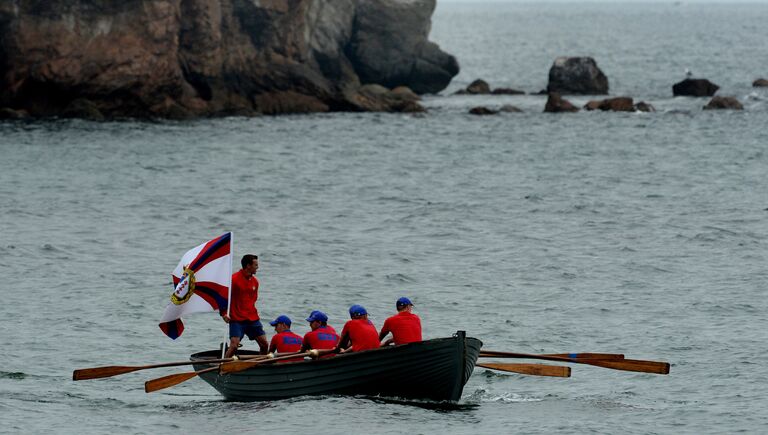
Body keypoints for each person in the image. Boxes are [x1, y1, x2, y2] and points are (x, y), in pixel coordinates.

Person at [223, 254, 268, 358]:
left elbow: (253, 300)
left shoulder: (255, 282)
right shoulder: (233, 279)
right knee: (234, 346)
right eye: (256, 265)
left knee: (264, 344)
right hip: (236, 319)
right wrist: (224, 314)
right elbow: (223, 298)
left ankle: (260, 367)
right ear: (248, 265)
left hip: (252, 319)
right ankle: (222, 367)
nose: (258, 267)